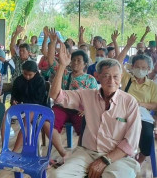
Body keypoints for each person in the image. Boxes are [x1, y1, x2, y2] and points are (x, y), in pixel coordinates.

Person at [48, 42, 141, 178]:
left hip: (118, 156)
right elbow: (56, 95)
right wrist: (62, 65)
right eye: (106, 76)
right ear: (97, 76)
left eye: (115, 77)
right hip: (87, 153)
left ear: (121, 78)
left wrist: (105, 160)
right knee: (59, 175)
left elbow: (130, 143)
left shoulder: (129, 102)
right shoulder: (87, 95)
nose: (111, 81)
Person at [45, 28, 98, 162]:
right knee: (46, 123)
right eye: (73, 60)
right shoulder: (63, 73)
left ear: (85, 64)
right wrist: (52, 42)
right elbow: (51, 60)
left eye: (79, 61)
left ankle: (80, 156)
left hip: (79, 110)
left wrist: (86, 110)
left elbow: (95, 99)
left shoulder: (89, 79)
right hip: (61, 108)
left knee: (89, 129)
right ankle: (64, 153)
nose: (74, 63)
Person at [115, 35, 157, 165]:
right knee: (116, 130)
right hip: (125, 113)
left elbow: (155, 105)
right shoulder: (127, 78)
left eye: (144, 68)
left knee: (147, 135)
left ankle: (140, 160)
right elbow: (118, 62)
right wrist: (127, 46)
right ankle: (119, 156)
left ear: (149, 70)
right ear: (132, 67)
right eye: (137, 67)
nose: (140, 70)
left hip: (143, 116)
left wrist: (140, 104)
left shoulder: (152, 85)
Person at [10, 60, 47, 152]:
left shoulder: (40, 81)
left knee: (26, 121)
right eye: (25, 74)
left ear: (36, 72)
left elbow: (39, 101)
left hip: (38, 108)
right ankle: (4, 147)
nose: (27, 77)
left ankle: (15, 150)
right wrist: (14, 101)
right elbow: (15, 94)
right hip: (24, 107)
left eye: (30, 74)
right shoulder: (19, 80)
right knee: (6, 116)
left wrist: (25, 107)